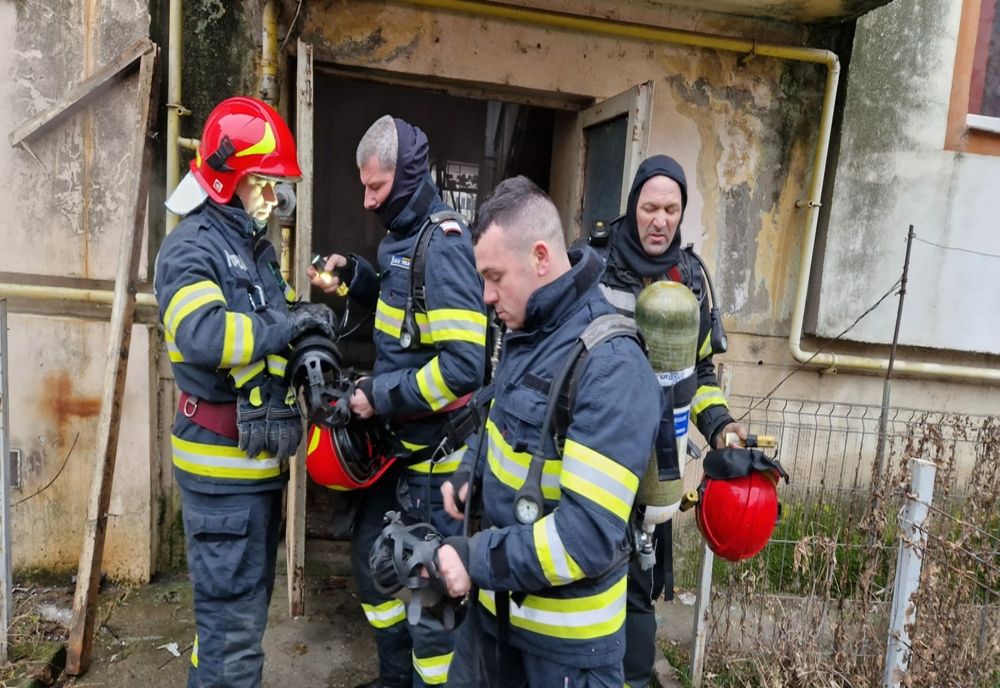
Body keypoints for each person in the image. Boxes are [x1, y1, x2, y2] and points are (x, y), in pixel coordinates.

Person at [435, 176, 663, 687]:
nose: (486, 295)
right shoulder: (528, 334)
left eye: (495, 277)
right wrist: (473, 473)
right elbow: (502, 426)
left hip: (566, 657)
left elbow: (583, 538)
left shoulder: (611, 367)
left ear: (541, 257)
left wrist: (473, 557)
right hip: (495, 627)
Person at [154, 96, 333, 687]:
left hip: (252, 476)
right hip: (221, 479)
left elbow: (271, 323)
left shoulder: (251, 249)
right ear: (231, 180)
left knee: (233, 636)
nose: (273, 197)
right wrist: (287, 327)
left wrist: (306, 333)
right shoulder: (191, 247)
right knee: (233, 650)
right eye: (264, 182)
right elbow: (205, 334)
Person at [308, 115, 487, 688]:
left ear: (408, 177)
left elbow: (463, 369)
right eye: (364, 187)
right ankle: (394, 679)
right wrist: (355, 276)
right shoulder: (400, 242)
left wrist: (376, 396)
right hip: (399, 454)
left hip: (437, 466)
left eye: (376, 188)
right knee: (374, 568)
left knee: (431, 611)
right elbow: (405, 309)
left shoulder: (446, 246)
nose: (366, 201)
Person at [592, 154, 746, 688]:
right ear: (633, 206)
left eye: (671, 209)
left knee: (637, 583)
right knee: (587, 573)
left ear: (681, 215)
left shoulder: (693, 280)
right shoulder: (593, 265)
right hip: (596, 452)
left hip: (659, 463)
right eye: (650, 207)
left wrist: (721, 425)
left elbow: (700, 376)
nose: (660, 220)